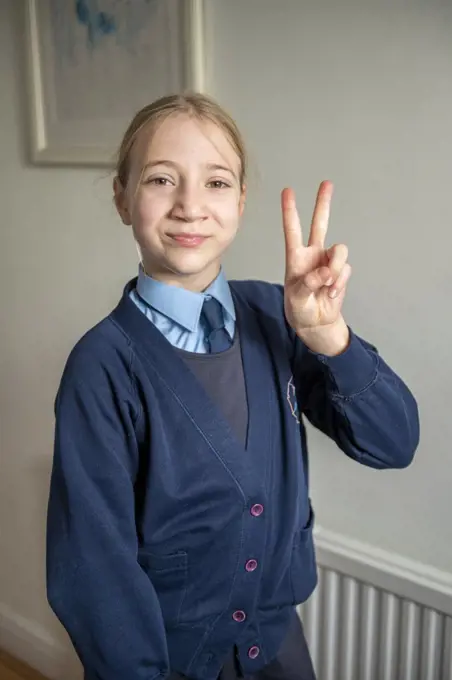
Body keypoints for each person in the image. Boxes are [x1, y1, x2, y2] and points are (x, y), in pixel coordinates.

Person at [46, 92, 419, 680]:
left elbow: (394, 442)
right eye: (162, 179)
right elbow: (96, 571)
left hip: (277, 651)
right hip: (164, 665)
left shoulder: (279, 315)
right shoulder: (103, 366)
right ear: (122, 197)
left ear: (242, 202)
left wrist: (328, 337)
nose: (190, 206)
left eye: (217, 183)